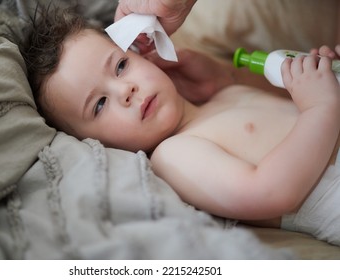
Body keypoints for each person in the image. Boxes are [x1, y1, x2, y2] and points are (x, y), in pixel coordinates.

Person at [21, 6, 340, 246]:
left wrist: (321, 79)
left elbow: (289, 101)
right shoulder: (173, 155)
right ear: (94, 144)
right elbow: (271, 192)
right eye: (100, 104)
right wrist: (321, 107)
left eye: (120, 65)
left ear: (142, 56)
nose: (126, 91)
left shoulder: (222, 94)